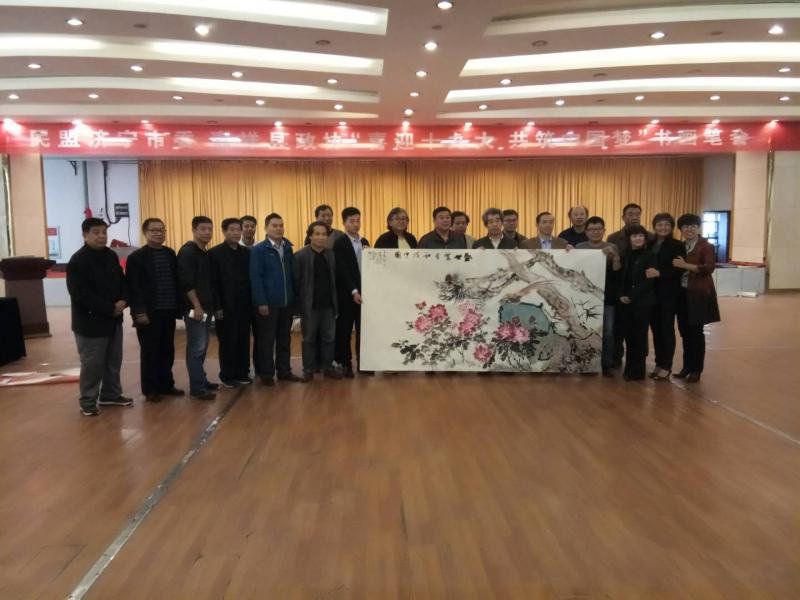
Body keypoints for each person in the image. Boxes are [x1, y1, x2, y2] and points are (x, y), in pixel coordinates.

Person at [66, 218, 132, 416]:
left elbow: (122, 281)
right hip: (90, 323)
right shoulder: (78, 261)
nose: (102, 236)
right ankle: (87, 401)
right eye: (96, 233)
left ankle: (111, 394)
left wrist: (124, 300)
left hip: (114, 319)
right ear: (85, 235)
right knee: (92, 364)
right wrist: (110, 307)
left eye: (104, 232)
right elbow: (80, 294)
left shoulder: (110, 256)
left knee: (114, 360)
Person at [127, 218, 184, 403]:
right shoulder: (136, 257)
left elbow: (176, 281)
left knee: (167, 350)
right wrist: (139, 312)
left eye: (162, 230)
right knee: (150, 352)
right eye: (154, 230)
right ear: (145, 233)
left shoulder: (170, 254)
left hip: (168, 310)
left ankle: (166, 384)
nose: (159, 233)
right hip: (148, 313)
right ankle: (150, 389)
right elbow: (134, 288)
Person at [250, 213, 300, 385]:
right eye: (274, 225)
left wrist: (294, 299)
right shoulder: (259, 250)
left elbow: (292, 276)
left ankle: (284, 371)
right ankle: (266, 374)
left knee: (284, 339)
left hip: (286, 303)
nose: (279, 228)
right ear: (266, 228)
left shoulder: (288, 248)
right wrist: (261, 302)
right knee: (266, 341)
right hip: (268, 304)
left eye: (281, 225)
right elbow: (256, 277)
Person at [672, 213, 720, 383]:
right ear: (681, 229)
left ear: (698, 227)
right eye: (685, 227)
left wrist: (685, 265)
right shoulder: (681, 245)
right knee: (685, 333)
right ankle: (686, 367)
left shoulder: (706, 246)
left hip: (698, 295)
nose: (689, 229)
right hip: (682, 294)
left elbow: (709, 268)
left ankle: (696, 370)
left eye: (692, 226)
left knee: (696, 334)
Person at [294, 221, 342, 382]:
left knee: (329, 338)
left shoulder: (331, 255)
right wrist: (299, 306)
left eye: (324, 234)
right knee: (309, 339)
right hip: (310, 307)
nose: (321, 237)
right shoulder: (300, 256)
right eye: (317, 234)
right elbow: (296, 282)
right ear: (310, 236)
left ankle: (327, 367)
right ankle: (308, 370)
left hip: (329, 306)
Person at [177, 216, 219, 400]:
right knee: (196, 348)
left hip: (206, 308)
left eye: (210, 229)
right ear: (194, 230)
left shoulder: (204, 252)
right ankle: (197, 387)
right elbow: (186, 282)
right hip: (195, 309)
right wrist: (197, 305)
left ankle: (201, 379)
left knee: (202, 347)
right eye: (203, 229)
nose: (207, 232)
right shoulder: (188, 252)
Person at [209, 218, 253, 388]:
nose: (236, 233)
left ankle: (242, 372)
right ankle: (227, 376)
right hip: (225, 307)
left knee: (243, 340)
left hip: (244, 305)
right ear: (224, 231)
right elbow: (213, 283)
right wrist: (217, 306)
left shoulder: (246, 252)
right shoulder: (215, 253)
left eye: (238, 230)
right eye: (232, 230)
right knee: (228, 342)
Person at [576, 216, 622, 375]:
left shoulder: (612, 246)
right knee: (585, 330)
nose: (595, 232)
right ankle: (586, 363)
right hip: (585, 297)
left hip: (607, 296)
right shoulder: (579, 247)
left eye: (598, 229)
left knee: (608, 331)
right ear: (586, 232)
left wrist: (615, 257)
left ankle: (607, 363)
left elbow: (617, 270)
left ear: (604, 231)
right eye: (591, 229)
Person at [618, 225, 660, 381]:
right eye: (634, 236)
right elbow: (621, 278)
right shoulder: (626, 255)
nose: (638, 238)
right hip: (626, 302)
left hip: (642, 302)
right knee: (629, 337)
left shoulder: (650, 256)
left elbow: (649, 281)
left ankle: (638, 371)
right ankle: (629, 369)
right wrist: (621, 295)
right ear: (629, 239)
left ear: (645, 238)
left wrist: (631, 296)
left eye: (641, 236)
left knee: (640, 337)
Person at [648, 213, 687, 380]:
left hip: (669, 293)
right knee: (655, 330)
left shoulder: (677, 245)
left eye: (666, 225)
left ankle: (666, 366)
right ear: (654, 226)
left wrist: (660, 273)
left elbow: (679, 269)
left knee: (666, 330)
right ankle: (658, 363)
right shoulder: (650, 243)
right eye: (659, 224)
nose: (662, 228)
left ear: (671, 227)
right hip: (651, 293)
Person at [334, 206, 370, 377]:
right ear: (344, 223)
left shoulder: (364, 241)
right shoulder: (340, 243)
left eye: (358, 221)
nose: (356, 224)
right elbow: (343, 270)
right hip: (347, 294)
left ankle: (364, 363)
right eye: (352, 221)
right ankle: (346, 363)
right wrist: (353, 291)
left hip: (365, 293)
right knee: (345, 330)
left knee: (364, 330)